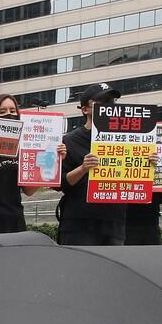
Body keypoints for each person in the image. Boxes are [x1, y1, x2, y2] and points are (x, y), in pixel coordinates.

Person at [0, 94, 62, 234]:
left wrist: (51, 160)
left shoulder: (23, 147)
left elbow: (29, 190)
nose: (9, 115)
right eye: (2, 112)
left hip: (14, 219)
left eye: (12, 111)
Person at [57, 83, 129, 246]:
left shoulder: (126, 140)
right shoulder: (69, 140)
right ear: (85, 109)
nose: (108, 107)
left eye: (111, 102)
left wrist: (150, 163)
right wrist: (83, 168)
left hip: (114, 223)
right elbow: (60, 183)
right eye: (101, 102)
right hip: (78, 223)